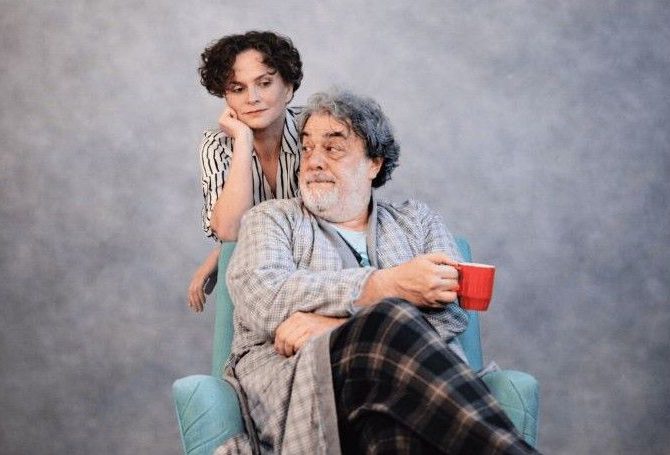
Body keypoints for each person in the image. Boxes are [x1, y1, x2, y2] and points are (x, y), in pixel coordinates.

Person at [215, 90, 539, 454]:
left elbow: (450, 315)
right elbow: (263, 297)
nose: (314, 161)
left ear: (374, 164)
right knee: (390, 316)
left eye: (333, 148)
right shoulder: (271, 219)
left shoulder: (418, 222)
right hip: (306, 390)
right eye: (307, 148)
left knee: (390, 429)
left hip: (401, 395)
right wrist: (386, 286)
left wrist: (337, 327)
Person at [187, 31, 303, 312]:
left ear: (288, 88)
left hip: (319, 266)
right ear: (226, 97)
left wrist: (218, 255)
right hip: (256, 280)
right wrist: (243, 140)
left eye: (264, 83)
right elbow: (230, 230)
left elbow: (332, 217)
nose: (252, 98)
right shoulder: (217, 145)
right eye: (238, 89)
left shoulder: (315, 129)